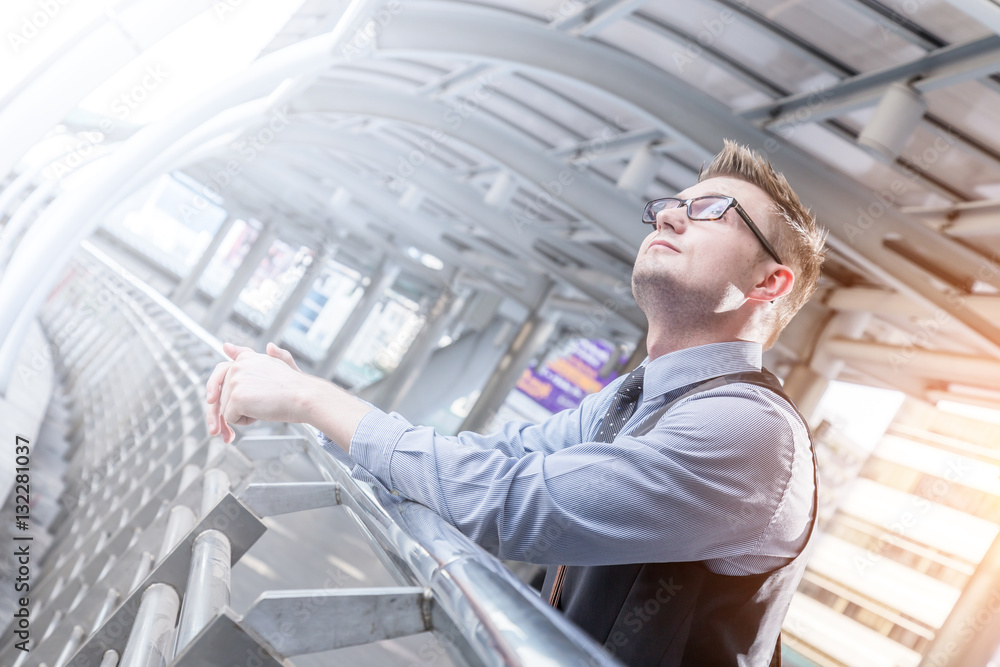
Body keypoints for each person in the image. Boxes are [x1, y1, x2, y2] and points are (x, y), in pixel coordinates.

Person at [205, 140, 826, 666]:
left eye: (713, 211)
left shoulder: (754, 432)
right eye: (671, 206)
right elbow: (498, 460)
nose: (668, 218)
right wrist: (306, 402)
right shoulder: (636, 395)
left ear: (768, 283)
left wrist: (311, 400)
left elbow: (514, 504)